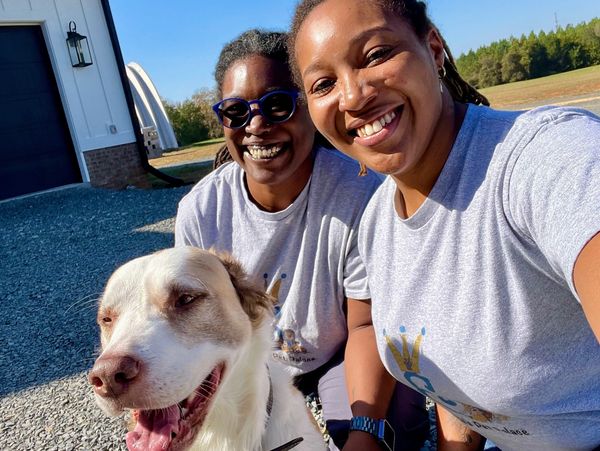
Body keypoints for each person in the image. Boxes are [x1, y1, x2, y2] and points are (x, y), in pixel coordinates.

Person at [288, 1, 600, 450]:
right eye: (323, 83)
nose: (353, 96)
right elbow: (455, 393)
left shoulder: (545, 157)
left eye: (375, 55)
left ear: (433, 49)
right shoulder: (379, 222)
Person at [174, 29, 429, 451]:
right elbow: (195, 326)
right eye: (235, 112)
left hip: (339, 350)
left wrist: (365, 432)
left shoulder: (358, 193)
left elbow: (366, 322)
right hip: (250, 357)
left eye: (277, 105)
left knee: (395, 421)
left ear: (309, 105)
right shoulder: (201, 212)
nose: (256, 125)